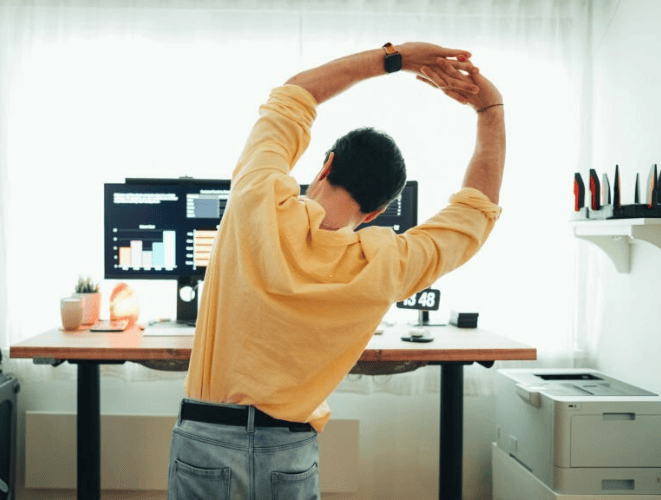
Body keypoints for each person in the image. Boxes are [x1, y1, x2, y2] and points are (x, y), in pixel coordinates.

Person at [167, 42, 505, 499]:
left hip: (206, 440)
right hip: (287, 451)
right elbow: (475, 212)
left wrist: (397, 58)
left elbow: (295, 95)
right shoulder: (387, 263)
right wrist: (489, 109)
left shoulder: (257, 198)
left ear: (326, 164)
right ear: (377, 211)